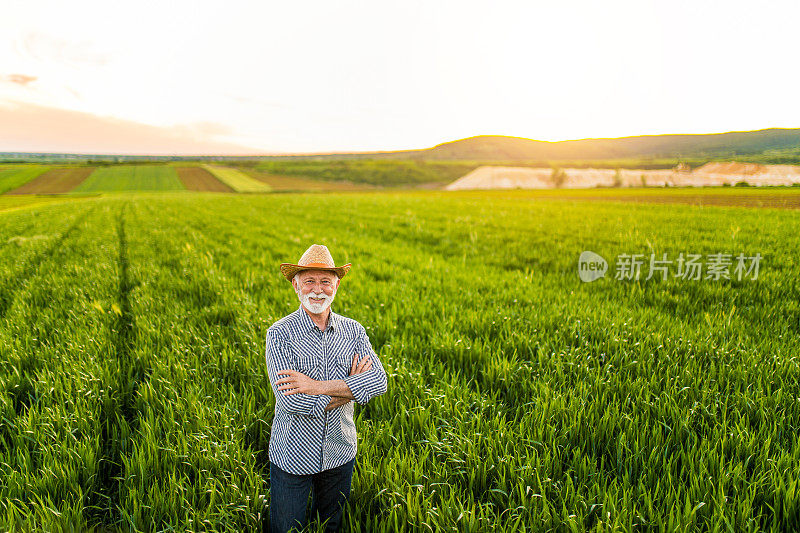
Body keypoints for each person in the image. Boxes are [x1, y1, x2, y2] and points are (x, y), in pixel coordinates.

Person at [266, 244, 388, 533]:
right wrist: (352, 388)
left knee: (331, 526)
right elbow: (291, 403)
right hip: (292, 455)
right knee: (287, 528)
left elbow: (379, 382)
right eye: (309, 281)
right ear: (296, 285)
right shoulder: (280, 334)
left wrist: (315, 386)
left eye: (325, 281)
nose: (317, 290)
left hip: (340, 452)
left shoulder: (354, 331)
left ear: (337, 285)